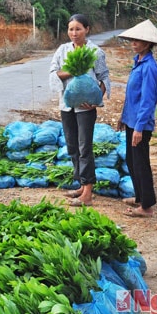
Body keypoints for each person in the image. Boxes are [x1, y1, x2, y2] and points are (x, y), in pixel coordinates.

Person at [49, 14, 110, 207]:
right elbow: (54, 72)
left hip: (85, 108)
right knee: (72, 146)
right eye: (71, 29)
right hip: (66, 105)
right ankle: (81, 185)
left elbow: (104, 77)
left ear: (87, 29)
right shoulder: (63, 50)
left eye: (78, 29)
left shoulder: (95, 52)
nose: (74, 33)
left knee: (85, 147)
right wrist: (72, 72)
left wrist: (96, 100)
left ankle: (88, 192)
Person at [116, 20, 157, 218]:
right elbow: (132, 96)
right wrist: (123, 117)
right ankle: (139, 196)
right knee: (131, 160)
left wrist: (139, 127)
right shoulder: (137, 62)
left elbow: (147, 101)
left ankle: (146, 206)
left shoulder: (150, 67)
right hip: (132, 120)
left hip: (141, 124)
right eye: (132, 39)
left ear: (147, 44)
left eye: (138, 40)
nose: (133, 42)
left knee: (141, 163)